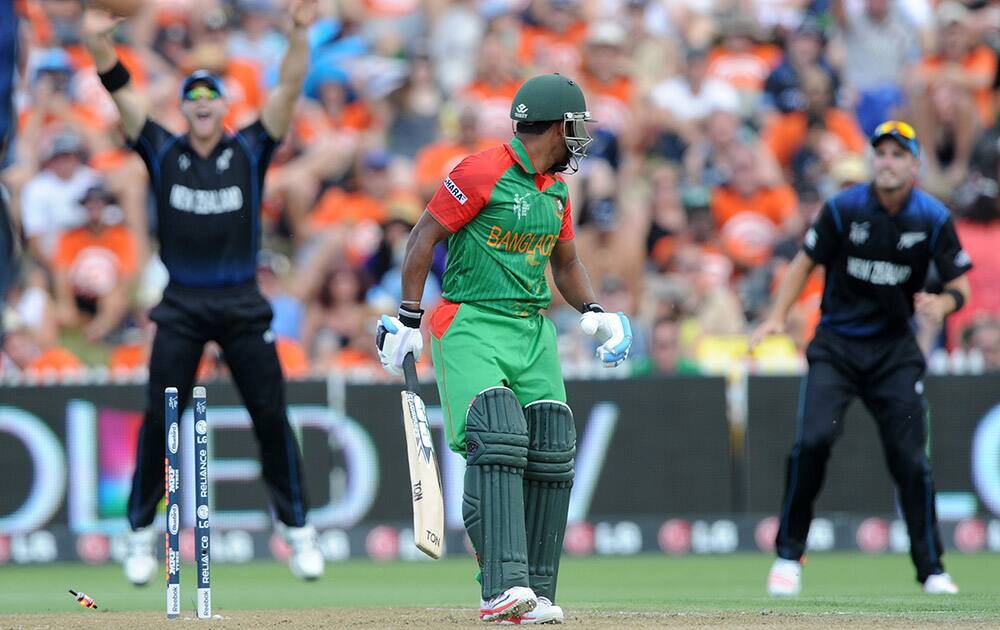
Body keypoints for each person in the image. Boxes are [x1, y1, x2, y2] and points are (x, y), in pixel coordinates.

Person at [376, 73, 633, 623]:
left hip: (533, 328)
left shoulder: (557, 189)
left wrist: (595, 313)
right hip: (470, 319)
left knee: (550, 444)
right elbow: (423, 236)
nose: (581, 137)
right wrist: (407, 318)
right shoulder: (479, 170)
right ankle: (501, 586)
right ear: (557, 124)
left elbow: (565, 263)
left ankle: (536, 591)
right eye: (577, 126)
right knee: (497, 433)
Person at [81, 3, 324, 584]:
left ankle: (298, 531)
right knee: (161, 418)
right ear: (184, 107)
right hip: (183, 306)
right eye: (192, 97)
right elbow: (119, 89)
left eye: (210, 95)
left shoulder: (250, 149)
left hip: (242, 303)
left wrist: (297, 31)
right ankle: (140, 537)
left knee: (270, 414)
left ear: (224, 104)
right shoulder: (163, 149)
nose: (202, 103)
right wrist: (96, 43)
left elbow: (290, 85)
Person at [750, 120, 972, 597]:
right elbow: (804, 262)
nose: (888, 162)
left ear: (915, 164)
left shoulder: (932, 217)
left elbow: (961, 287)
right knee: (811, 443)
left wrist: (944, 304)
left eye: (898, 155)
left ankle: (931, 569)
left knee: (912, 461)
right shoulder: (844, 209)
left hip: (894, 352)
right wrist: (776, 315)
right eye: (882, 154)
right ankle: (789, 556)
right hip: (837, 346)